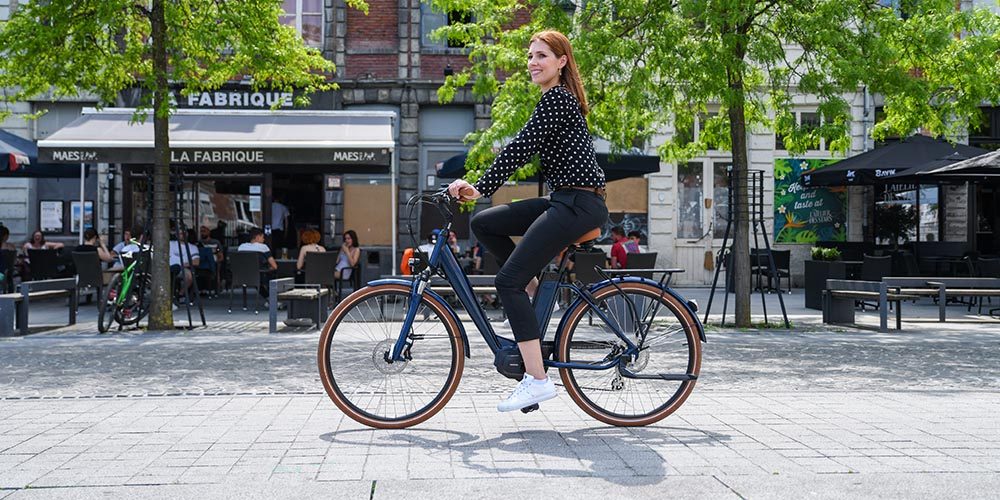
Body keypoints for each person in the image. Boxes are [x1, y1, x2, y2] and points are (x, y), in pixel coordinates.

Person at [448, 30, 609, 413]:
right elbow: (524, 147)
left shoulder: (558, 99)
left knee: (507, 283)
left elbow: (520, 147)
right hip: (564, 200)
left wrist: (479, 185)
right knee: (485, 224)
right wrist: (480, 192)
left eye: (542, 55)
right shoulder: (552, 100)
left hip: (578, 205)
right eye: (530, 56)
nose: (533, 62)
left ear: (561, 61)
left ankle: (537, 380)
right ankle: (535, 291)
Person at [238, 228, 278, 296]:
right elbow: (274, 266)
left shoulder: (241, 247)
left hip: (242, 277)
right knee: (272, 274)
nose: (264, 239)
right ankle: (272, 300)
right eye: (262, 237)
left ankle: (268, 299)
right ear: (257, 237)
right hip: (259, 276)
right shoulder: (263, 247)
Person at [168, 228, 200, 303]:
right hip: (168, 267)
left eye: (183, 233)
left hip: (182, 268)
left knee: (189, 276)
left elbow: (196, 262)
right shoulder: (170, 244)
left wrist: (182, 265)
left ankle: (180, 294)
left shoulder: (193, 247)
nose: (181, 235)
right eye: (180, 233)